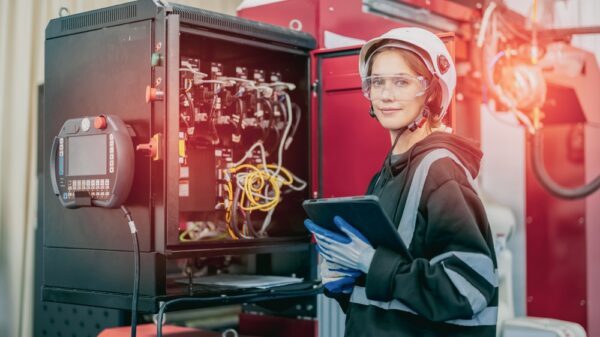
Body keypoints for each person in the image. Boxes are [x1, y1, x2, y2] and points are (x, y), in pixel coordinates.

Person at [304, 27, 498, 337]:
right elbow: (389, 301)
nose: (385, 95)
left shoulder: (441, 170)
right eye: (377, 82)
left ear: (432, 93)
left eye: (402, 82)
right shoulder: (385, 175)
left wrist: (370, 262)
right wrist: (346, 279)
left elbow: (468, 288)